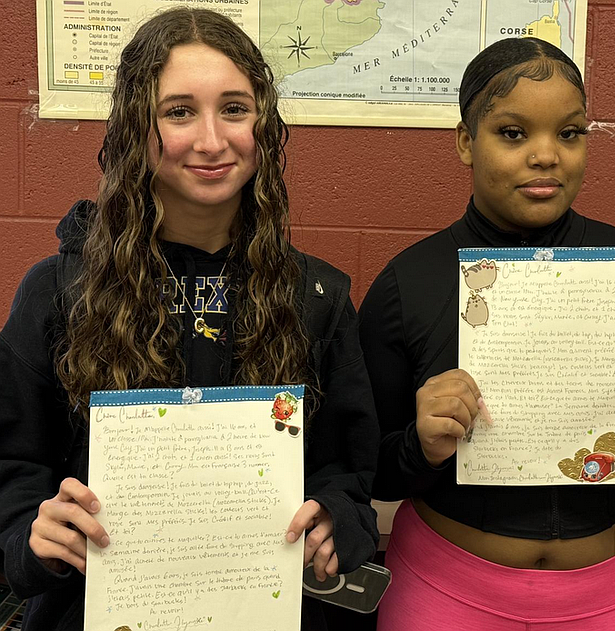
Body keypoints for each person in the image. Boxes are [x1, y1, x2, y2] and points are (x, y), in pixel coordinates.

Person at [0, 8, 379, 631]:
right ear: (134, 128)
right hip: (97, 611)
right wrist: (33, 536)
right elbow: (15, 469)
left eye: (235, 108)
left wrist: (338, 516)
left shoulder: (315, 296)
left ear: (264, 123)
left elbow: (347, 466)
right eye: (179, 112)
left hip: (266, 608)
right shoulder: (60, 291)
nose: (211, 141)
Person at [359, 37, 615, 631]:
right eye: (512, 133)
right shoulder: (410, 283)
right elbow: (366, 470)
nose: (546, 155)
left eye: (570, 133)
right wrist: (419, 448)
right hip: (449, 591)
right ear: (464, 142)